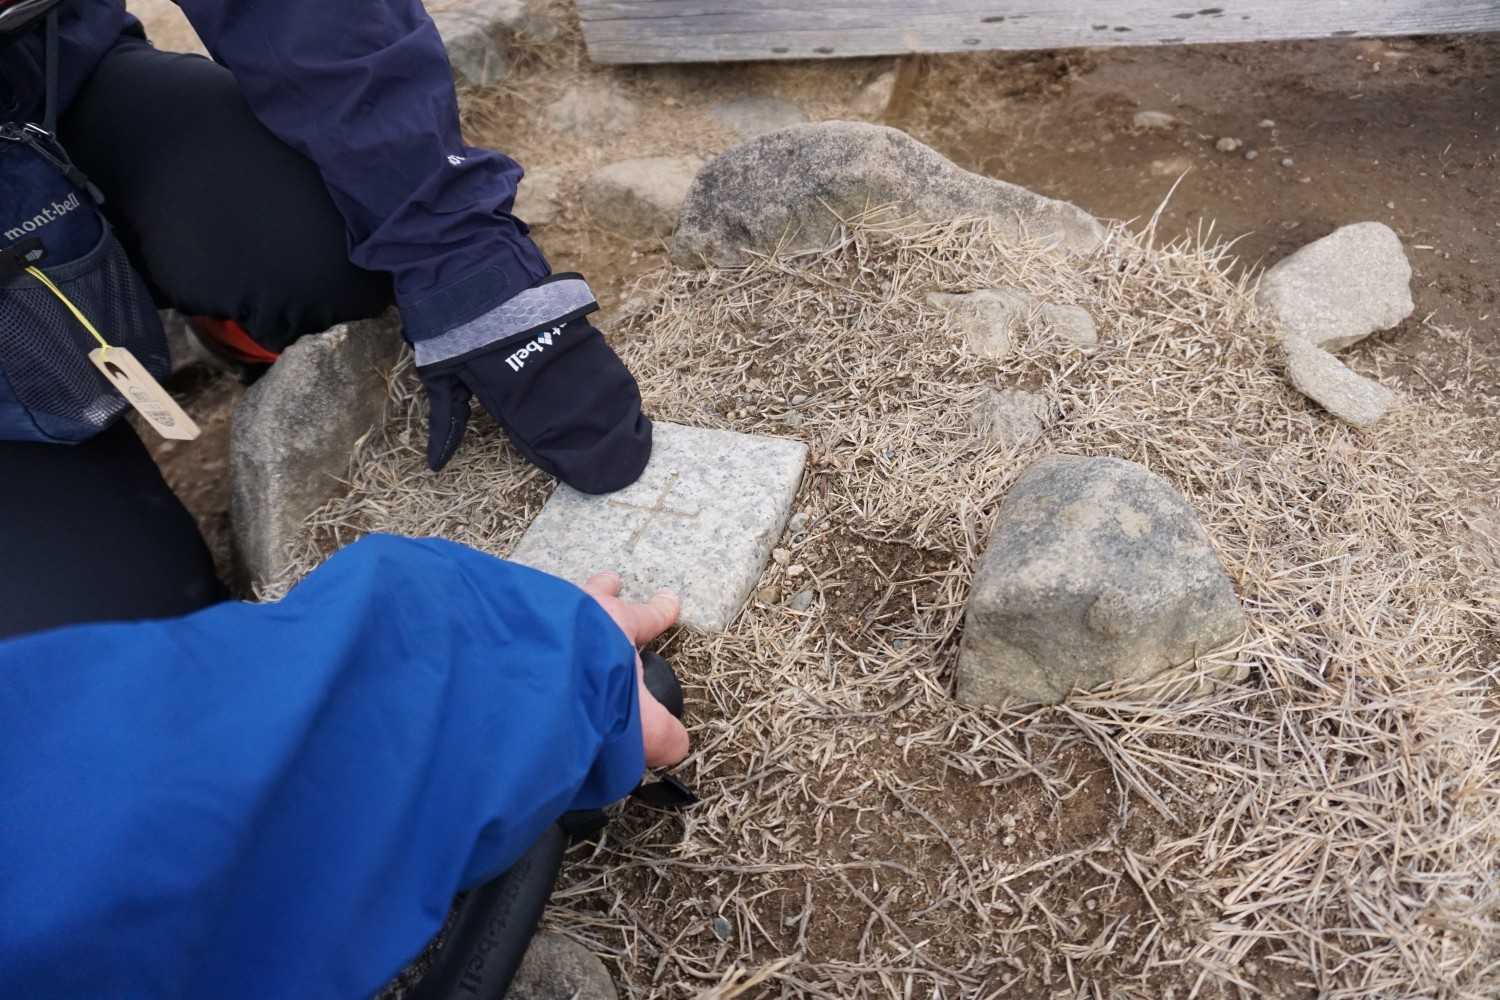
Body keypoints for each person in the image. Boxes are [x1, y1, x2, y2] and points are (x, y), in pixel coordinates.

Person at [0, 1, 686, 996]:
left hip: (40, 81)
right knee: (126, 653)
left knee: (326, 224)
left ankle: (206, 312)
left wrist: (463, 256)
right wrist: (489, 680)